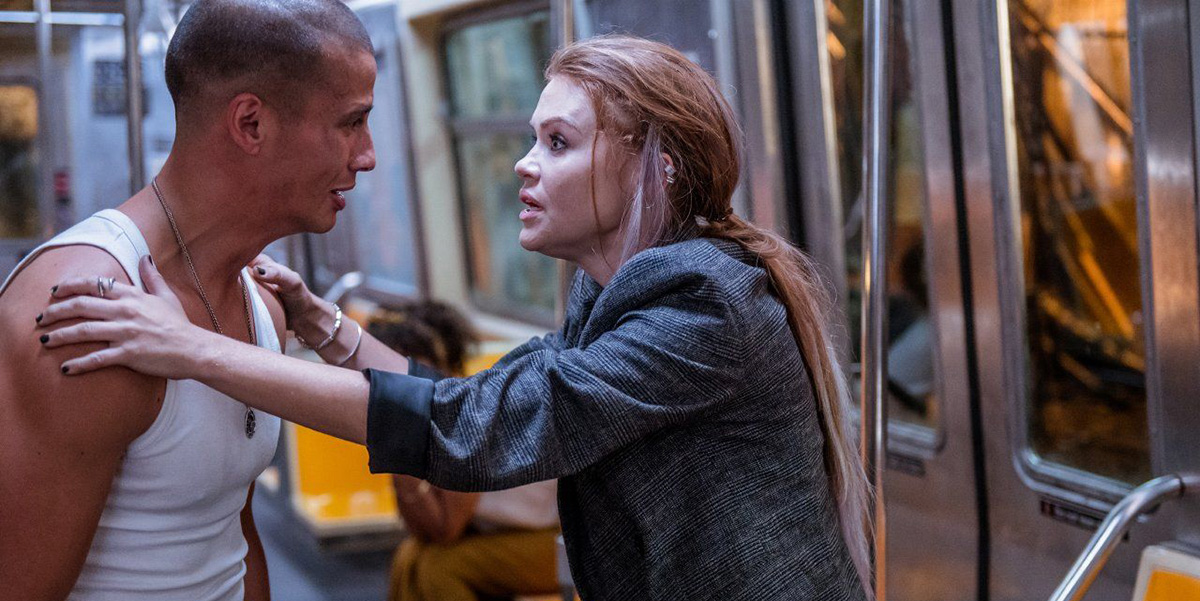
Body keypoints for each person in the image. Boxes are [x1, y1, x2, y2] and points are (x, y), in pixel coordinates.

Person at [38, 35, 873, 600]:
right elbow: (480, 399)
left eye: (558, 143)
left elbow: (477, 431)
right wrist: (327, 328)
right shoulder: (613, 294)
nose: (523, 165)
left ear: (657, 167)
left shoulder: (702, 303)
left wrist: (190, 348)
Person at [0, 0, 376, 598]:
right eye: (351, 122)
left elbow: (234, 537)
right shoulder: (87, 313)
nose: (367, 155)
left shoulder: (263, 305)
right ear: (251, 123)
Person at [363, 303, 560, 601]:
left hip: (556, 540)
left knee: (439, 569)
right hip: (500, 534)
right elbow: (422, 531)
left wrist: (398, 446)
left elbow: (446, 529)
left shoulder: (465, 414)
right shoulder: (433, 410)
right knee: (409, 556)